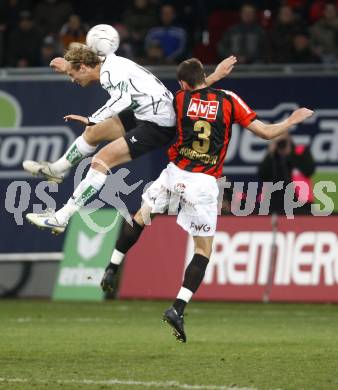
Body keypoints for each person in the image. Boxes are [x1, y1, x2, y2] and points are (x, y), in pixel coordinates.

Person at [100, 59, 314, 342]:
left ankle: (112, 267)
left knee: (141, 216)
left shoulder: (179, 100)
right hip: (203, 183)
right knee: (202, 250)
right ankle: (178, 307)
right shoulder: (229, 101)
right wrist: (291, 120)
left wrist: (212, 76)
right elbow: (265, 133)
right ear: (203, 76)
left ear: (183, 84)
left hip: (173, 173)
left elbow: (191, 94)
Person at [24, 44, 237, 233]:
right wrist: (67, 63)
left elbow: (122, 99)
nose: (72, 79)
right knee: (93, 133)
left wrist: (91, 118)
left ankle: (61, 217)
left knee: (101, 160)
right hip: (143, 112)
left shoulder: (108, 75)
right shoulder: (106, 62)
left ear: (83, 67)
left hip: (157, 126)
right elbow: (90, 54)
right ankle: (58, 169)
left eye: (72, 74)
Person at [258, 131, 315, 214]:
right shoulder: (272, 156)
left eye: (283, 139)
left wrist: (291, 153)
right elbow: (263, 175)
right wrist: (270, 154)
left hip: (300, 200)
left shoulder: (300, 151)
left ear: (289, 138)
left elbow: (310, 170)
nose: (281, 143)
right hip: (274, 200)